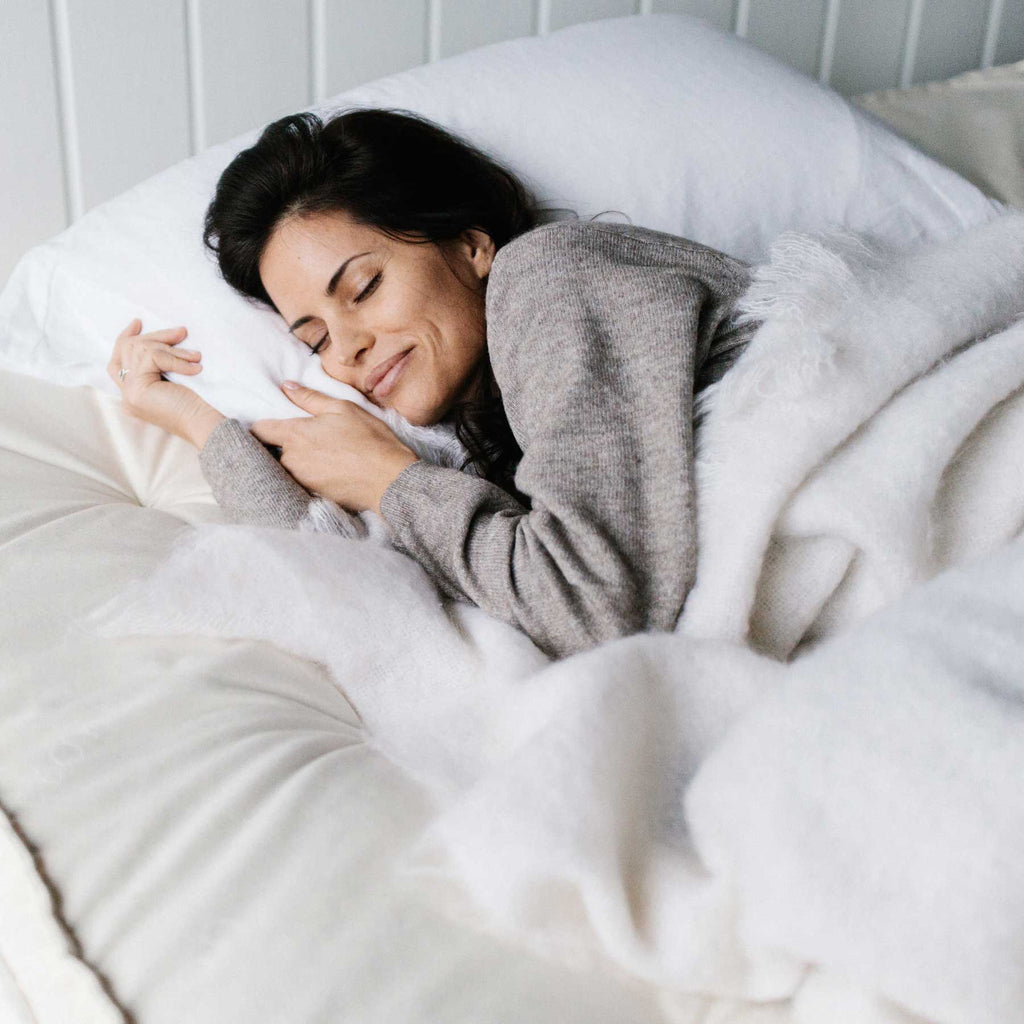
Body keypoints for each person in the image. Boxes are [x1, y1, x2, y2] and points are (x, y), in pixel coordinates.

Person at [107, 108, 759, 661]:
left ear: (471, 245)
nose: (347, 351)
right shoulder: (481, 448)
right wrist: (197, 422)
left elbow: (595, 609)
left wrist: (391, 480)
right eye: (316, 341)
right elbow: (357, 576)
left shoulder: (547, 273)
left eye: (363, 288)